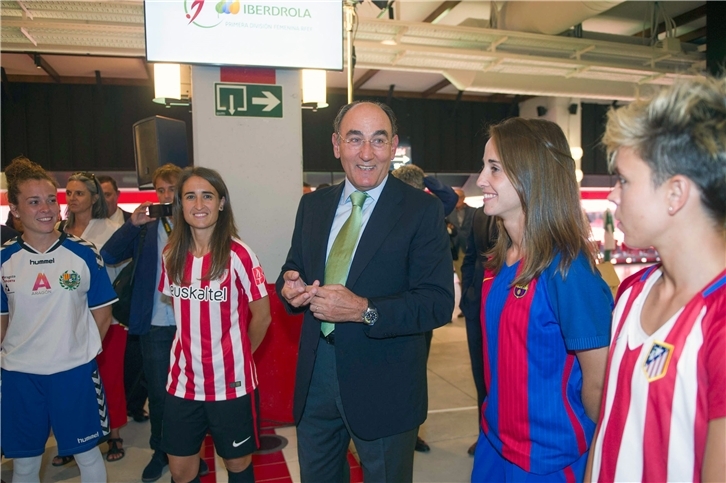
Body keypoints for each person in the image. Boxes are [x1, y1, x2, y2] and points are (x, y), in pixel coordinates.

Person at [277, 100, 454, 482]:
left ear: (393, 147)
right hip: (316, 376)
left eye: (378, 140)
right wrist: (290, 286)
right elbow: (294, 268)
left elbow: (437, 303)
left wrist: (363, 310)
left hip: (385, 382)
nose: (367, 153)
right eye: (355, 139)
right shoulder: (312, 206)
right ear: (336, 145)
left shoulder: (420, 212)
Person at [585, 76, 726, 482]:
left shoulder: (717, 320)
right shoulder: (631, 293)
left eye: (625, 180)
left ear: (675, 194)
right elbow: (609, 426)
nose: (613, 195)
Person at [471, 118, 613, 482]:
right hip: (494, 446)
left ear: (532, 175)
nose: (481, 180)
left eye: (495, 169)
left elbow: (600, 385)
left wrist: (599, 461)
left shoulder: (568, 272)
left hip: (549, 462)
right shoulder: (499, 262)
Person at [1, 156, 116, 483]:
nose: (46, 208)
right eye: (34, 201)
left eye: (51, 199)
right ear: (16, 209)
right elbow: (2, 322)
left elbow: (103, 314)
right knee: (24, 464)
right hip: (20, 375)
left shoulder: (83, 253)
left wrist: (77, 353)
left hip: (74, 373)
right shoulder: (4, 259)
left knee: (87, 454)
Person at [159, 166, 271, 483]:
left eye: (207, 196)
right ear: (180, 204)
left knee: (236, 465)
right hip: (182, 383)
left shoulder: (240, 254)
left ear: (221, 202)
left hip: (231, 384)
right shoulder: (170, 253)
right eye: (190, 196)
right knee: (181, 471)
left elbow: (263, 316)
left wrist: (238, 354)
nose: (199, 205)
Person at [102, 163, 208, 482]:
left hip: (194, 323)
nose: (165, 196)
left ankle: (191, 452)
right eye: (160, 190)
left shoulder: (197, 223)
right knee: (161, 394)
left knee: (194, 393)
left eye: (172, 189)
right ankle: (161, 451)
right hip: (155, 324)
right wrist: (132, 225)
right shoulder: (146, 228)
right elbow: (108, 254)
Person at [52, 171, 128, 465]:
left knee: (109, 379)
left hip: (105, 315)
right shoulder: (57, 229)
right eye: (69, 193)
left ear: (94, 198)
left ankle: (115, 435)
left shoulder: (110, 228)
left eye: (79, 193)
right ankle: (73, 440)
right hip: (65, 318)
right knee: (70, 382)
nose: (72, 198)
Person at [391, 163, 457, 453]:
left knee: (414, 372)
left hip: (416, 309)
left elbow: (450, 199)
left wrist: (421, 175)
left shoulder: (428, 211)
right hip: (395, 306)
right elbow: (449, 198)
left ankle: (410, 431)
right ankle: (401, 430)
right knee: (406, 372)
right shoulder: (389, 210)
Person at [97, 174, 149, 424]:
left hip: (153, 311)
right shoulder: (139, 225)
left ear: (117, 195)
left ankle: (135, 405)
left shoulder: (142, 221)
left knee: (137, 365)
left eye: (107, 194)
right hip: (124, 306)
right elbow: (108, 254)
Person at [459, 206, 497, 456]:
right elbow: (470, 257)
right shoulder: (480, 214)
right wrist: (468, 295)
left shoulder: (527, 203)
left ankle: (498, 437)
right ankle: (484, 433)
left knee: (502, 376)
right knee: (481, 375)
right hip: (476, 306)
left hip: (510, 304)